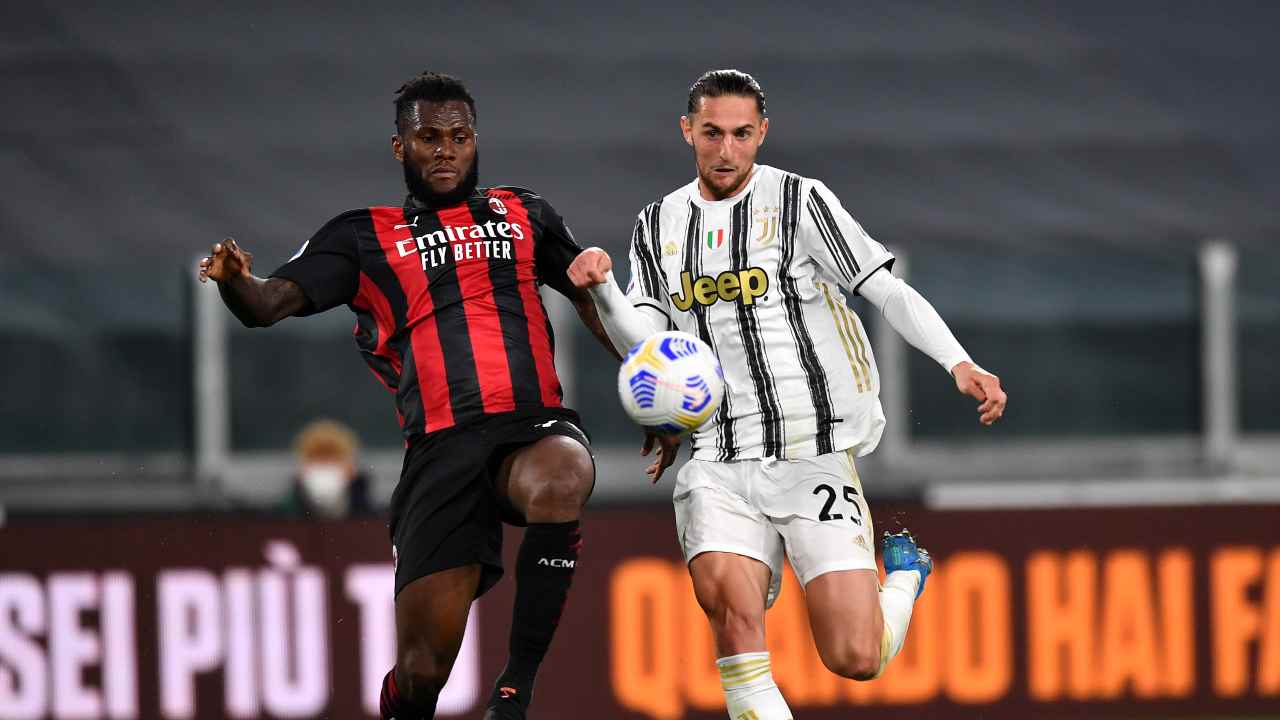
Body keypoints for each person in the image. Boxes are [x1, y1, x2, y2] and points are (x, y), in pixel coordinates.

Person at [568, 69, 1007, 720]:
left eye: (742, 134)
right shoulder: (659, 222)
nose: (726, 150)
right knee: (732, 614)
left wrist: (958, 361)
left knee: (854, 656)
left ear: (762, 134)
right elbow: (649, 340)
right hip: (719, 458)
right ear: (688, 131)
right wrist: (602, 288)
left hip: (814, 451)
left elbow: (883, 287)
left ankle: (907, 573)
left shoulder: (801, 202)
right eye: (712, 133)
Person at [198, 71, 616, 720]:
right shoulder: (362, 237)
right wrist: (235, 281)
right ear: (401, 148)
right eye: (428, 137)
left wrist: (650, 383)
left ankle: (515, 689)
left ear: (476, 140)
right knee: (422, 674)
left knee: (561, 479)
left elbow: (591, 299)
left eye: (458, 136)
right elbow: (268, 304)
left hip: (531, 427)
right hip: (441, 451)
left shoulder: (525, 212)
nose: (445, 150)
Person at [281, 418, 374, 519]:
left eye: (331, 459)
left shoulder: (359, 488)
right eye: (319, 459)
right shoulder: (294, 495)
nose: (325, 467)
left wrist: (356, 485)